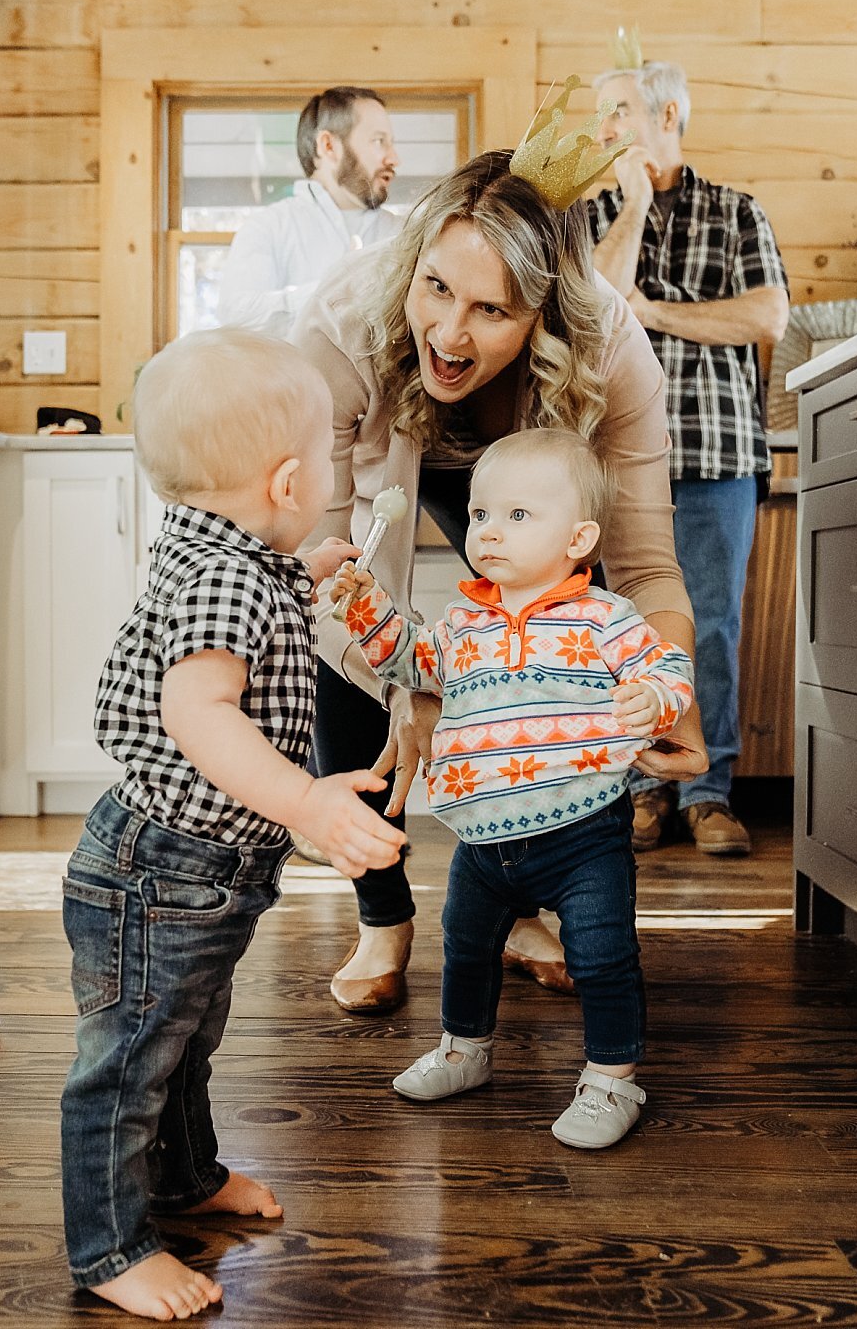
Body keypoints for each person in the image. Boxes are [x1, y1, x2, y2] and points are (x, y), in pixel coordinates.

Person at [292, 144, 710, 1016]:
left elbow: (646, 568)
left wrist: (666, 686)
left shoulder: (612, 354)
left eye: (491, 310)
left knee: (550, 631)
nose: (448, 335)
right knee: (361, 628)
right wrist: (412, 685)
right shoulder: (339, 328)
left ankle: (517, 902)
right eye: (436, 288)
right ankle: (383, 914)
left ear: (544, 314)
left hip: (533, 462)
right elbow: (325, 569)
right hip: (397, 464)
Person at [62, 328, 406, 1319]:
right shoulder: (225, 578)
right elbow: (197, 709)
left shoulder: (227, 548)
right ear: (289, 476)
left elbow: (247, 595)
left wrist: (309, 568)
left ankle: (181, 1180)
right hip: (161, 868)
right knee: (128, 1062)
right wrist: (304, 801)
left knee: (179, 1041)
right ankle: (109, 1245)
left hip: (191, 866)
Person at [332, 429, 694, 1148]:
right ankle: (465, 1049)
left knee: (601, 951)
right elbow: (410, 662)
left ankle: (613, 1077)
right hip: (481, 836)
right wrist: (366, 604)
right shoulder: (462, 623)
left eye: (518, 517)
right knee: (465, 944)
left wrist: (654, 699)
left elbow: (668, 666)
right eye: (479, 515)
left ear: (580, 537)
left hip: (583, 827)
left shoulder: (604, 618)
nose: (490, 531)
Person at [589, 59, 790, 858]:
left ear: (669, 112)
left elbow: (767, 313)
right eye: (601, 115)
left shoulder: (737, 211)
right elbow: (600, 313)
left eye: (620, 111)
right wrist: (633, 205)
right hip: (620, 457)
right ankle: (643, 790)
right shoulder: (597, 216)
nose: (606, 129)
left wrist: (656, 313)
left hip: (717, 449)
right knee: (625, 628)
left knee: (710, 626)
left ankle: (709, 794)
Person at [217, 86, 401, 338]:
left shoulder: (404, 235)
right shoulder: (268, 227)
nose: (394, 158)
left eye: (391, 144)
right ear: (328, 146)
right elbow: (235, 319)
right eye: (379, 141)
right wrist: (333, 294)